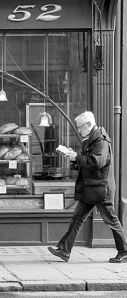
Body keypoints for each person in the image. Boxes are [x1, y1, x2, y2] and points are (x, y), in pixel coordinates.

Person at [48, 111, 127, 263]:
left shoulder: (101, 141)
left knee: (111, 220)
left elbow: (96, 163)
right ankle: (64, 250)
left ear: (89, 125)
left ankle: (124, 251)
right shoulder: (90, 140)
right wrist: (73, 158)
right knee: (77, 219)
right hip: (90, 188)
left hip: (100, 189)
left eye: (80, 127)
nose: (78, 130)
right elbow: (86, 163)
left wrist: (77, 157)